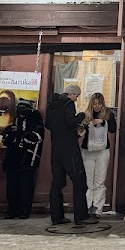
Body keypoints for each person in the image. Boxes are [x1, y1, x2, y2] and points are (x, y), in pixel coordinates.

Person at [45, 84, 92, 228]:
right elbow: (71, 121)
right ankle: (81, 216)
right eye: (76, 96)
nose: (76, 99)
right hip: (69, 149)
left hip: (56, 149)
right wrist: (82, 115)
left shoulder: (52, 105)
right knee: (79, 180)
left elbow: (48, 124)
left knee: (57, 183)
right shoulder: (68, 104)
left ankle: (57, 217)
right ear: (71, 94)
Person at [1, 98, 44, 219]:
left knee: (25, 186)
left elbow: (36, 137)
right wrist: (10, 135)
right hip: (12, 159)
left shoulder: (35, 120)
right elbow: (7, 138)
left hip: (27, 159)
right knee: (12, 186)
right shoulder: (15, 121)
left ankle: (24, 210)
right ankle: (13, 209)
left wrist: (21, 137)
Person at [82, 92, 117, 215]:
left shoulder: (108, 114)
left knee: (100, 180)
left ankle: (97, 207)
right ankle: (86, 205)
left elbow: (113, 129)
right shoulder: (85, 115)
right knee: (88, 179)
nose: (97, 106)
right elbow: (80, 130)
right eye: (95, 104)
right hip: (88, 149)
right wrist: (88, 125)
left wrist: (103, 122)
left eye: (99, 104)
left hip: (102, 150)